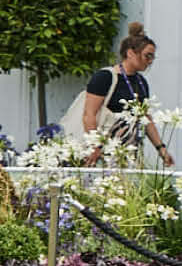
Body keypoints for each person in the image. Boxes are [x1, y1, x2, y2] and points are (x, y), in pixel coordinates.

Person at [72, 25, 173, 166]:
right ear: (130, 53)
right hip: (104, 149)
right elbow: (89, 114)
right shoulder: (105, 77)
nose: (150, 61)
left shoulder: (141, 81)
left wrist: (161, 149)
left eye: (152, 57)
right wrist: (94, 146)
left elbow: (145, 118)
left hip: (130, 149)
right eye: (147, 56)